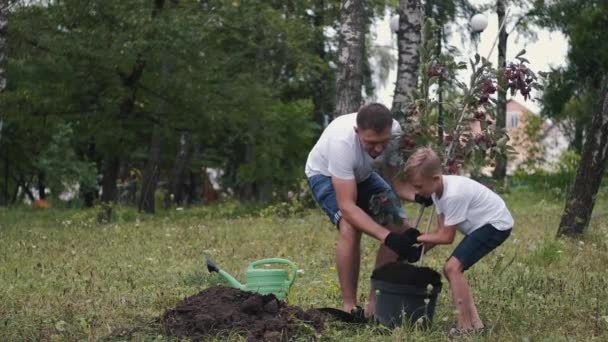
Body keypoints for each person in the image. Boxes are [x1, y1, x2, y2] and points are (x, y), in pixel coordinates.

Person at [305, 103, 421, 318]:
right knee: (350, 227)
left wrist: (417, 195)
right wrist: (386, 237)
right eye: (371, 143)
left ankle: (374, 305)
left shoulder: (394, 132)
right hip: (325, 176)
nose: (378, 150)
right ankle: (350, 307)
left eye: (382, 142)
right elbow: (348, 207)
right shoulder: (342, 143)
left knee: (400, 227)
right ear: (357, 132)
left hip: (363, 175)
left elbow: (396, 180)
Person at [399, 147, 513, 335]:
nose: (417, 192)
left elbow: (447, 237)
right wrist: (419, 250)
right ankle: (476, 325)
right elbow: (440, 230)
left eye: (419, 187)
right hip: (481, 225)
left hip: (496, 224)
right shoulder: (436, 192)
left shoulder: (453, 194)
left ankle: (465, 327)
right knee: (452, 268)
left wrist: (414, 237)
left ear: (435, 178)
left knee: (452, 268)